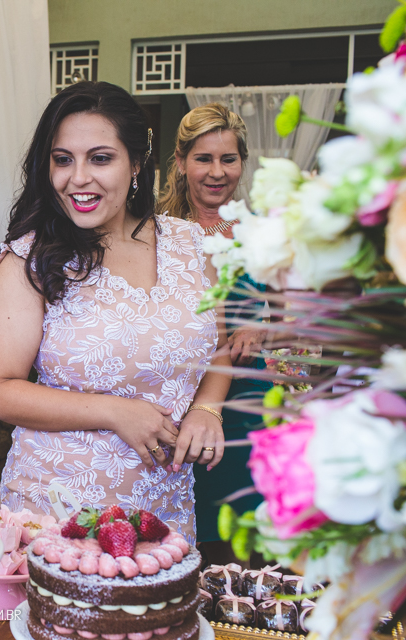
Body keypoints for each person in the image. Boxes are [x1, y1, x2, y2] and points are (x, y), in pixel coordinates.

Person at [0, 82, 232, 543]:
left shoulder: (193, 245)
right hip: (58, 511)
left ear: (135, 163)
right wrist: (116, 412)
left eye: (100, 158)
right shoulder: (29, 260)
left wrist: (208, 409)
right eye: (62, 159)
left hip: (164, 509)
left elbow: (220, 345)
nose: (78, 178)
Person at [158, 102, 272, 550]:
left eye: (229, 158)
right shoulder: (158, 231)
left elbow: (290, 315)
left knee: (242, 526)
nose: (217, 172)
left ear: (242, 162)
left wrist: (261, 328)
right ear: (182, 162)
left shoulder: (259, 232)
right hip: (179, 392)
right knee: (178, 529)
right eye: (204, 158)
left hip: (246, 396)